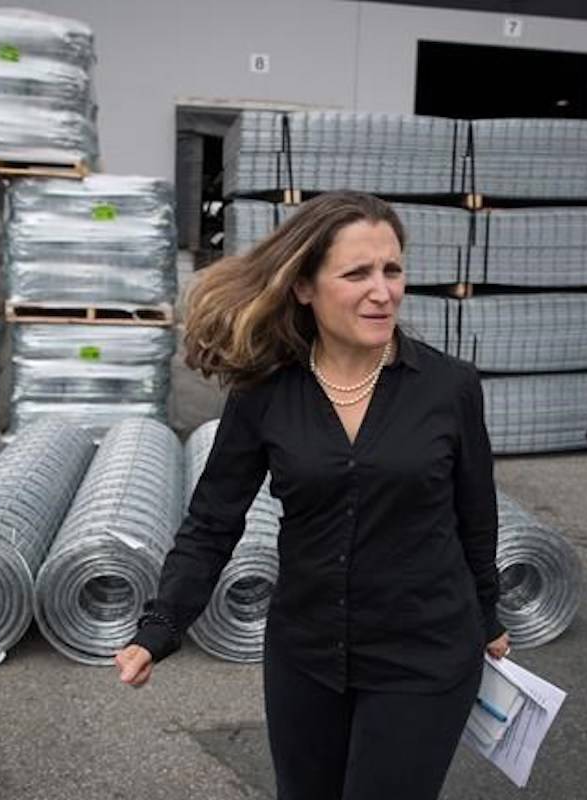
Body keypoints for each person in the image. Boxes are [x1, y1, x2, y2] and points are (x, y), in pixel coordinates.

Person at [114, 191, 509, 800]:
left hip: (424, 652)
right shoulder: (266, 392)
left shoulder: (449, 387)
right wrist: (161, 624)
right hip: (307, 655)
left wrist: (488, 616)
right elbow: (213, 520)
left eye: (392, 270)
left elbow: (475, 516)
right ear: (304, 287)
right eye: (357, 273)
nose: (383, 291)